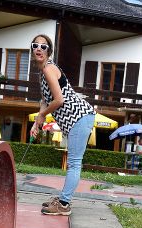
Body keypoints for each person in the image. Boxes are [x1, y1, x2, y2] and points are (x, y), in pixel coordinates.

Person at [30, 34, 95, 216]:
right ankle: (63, 199)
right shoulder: (43, 73)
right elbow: (45, 100)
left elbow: (58, 100)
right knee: (74, 162)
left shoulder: (49, 69)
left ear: (49, 51)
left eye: (43, 46)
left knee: (74, 163)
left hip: (80, 117)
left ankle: (64, 204)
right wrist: (38, 121)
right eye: (35, 45)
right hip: (75, 120)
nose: (39, 49)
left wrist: (43, 114)